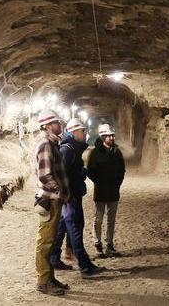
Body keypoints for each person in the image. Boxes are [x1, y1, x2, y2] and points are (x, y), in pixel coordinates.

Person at [49, 119, 104, 277]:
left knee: (63, 226)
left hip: (71, 194)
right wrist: (79, 175)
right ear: (73, 133)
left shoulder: (73, 148)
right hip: (70, 196)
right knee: (75, 227)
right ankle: (84, 265)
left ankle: (53, 257)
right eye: (82, 131)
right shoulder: (68, 150)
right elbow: (61, 173)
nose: (85, 133)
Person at [33, 109, 70, 296]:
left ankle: (50, 278)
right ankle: (43, 281)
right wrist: (59, 189)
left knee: (50, 239)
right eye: (56, 122)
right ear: (48, 126)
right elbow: (44, 175)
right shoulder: (46, 144)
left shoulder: (53, 143)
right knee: (45, 242)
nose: (60, 125)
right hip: (49, 199)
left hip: (54, 199)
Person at [87, 123, 126, 257]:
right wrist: (99, 181)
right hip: (101, 191)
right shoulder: (95, 152)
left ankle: (109, 244)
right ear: (103, 137)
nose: (112, 138)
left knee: (111, 219)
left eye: (113, 135)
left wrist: (117, 183)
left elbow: (122, 170)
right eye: (109, 136)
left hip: (114, 191)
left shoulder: (117, 152)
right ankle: (98, 244)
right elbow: (90, 171)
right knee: (98, 219)